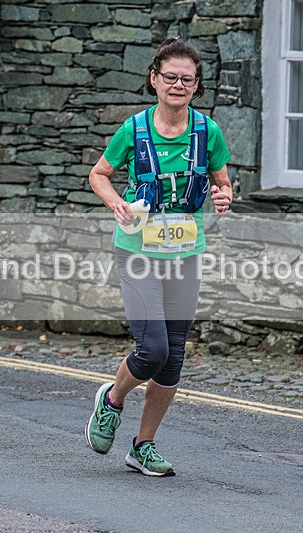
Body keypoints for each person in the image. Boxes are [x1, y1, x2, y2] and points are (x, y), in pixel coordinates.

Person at [85, 37, 232, 477]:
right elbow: (99, 174)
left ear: (196, 85)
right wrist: (115, 202)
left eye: (187, 79)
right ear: (154, 79)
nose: (178, 85)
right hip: (138, 249)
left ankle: (142, 445)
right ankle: (112, 400)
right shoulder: (134, 129)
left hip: (185, 251)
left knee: (173, 356)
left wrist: (224, 198)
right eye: (170, 77)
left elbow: (222, 183)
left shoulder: (208, 132)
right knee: (151, 349)